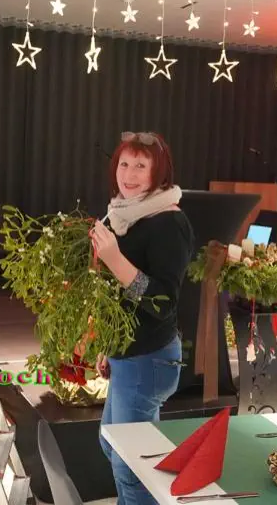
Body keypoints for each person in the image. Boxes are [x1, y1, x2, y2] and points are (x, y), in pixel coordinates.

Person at [89, 131, 196, 505]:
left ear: (159, 172)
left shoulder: (169, 223)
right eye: (124, 164)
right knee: (113, 445)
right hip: (129, 353)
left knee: (131, 467)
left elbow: (162, 302)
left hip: (148, 358)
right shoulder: (127, 214)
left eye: (140, 165)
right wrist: (109, 344)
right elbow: (121, 300)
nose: (129, 174)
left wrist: (114, 259)